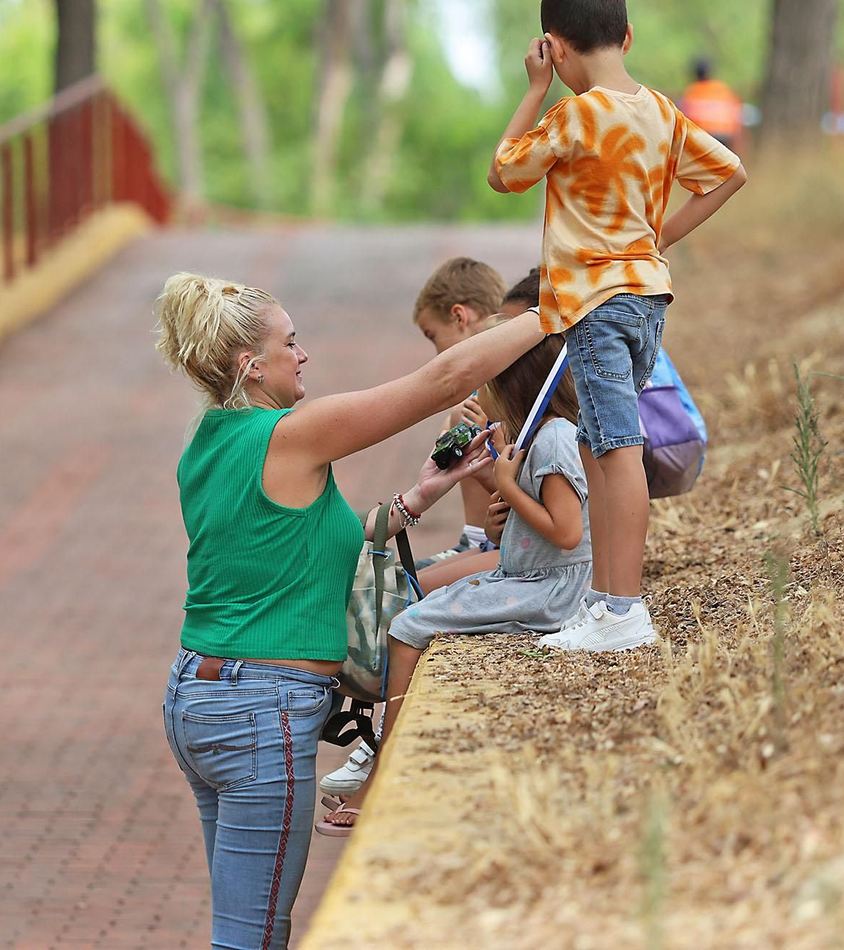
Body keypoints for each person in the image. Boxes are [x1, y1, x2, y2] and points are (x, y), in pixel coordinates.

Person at [155, 272, 542, 950]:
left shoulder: (206, 443)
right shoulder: (295, 433)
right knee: (253, 938)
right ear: (252, 366)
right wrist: (566, 301)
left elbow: (291, 546)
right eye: (290, 342)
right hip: (259, 709)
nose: (302, 355)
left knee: (242, 928)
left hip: (197, 697)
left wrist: (415, 500)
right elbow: (444, 381)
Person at [487, 0, 746, 653]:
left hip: (597, 304)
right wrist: (656, 239)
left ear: (555, 46)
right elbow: (730, 172)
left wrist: (535, 88)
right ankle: (605, 601)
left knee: (615, 449)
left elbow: (505, 169)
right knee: (600, 447)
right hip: (645, 298)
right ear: (628, 34)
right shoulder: (660, 109)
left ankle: (624, 610)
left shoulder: (573, 115)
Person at [319, 332, 590, 835]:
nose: (476, 394)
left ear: (510, 384)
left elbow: (569, 534)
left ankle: (383, 772)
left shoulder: (553, 438)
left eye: (484, 382)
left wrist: (508, 484)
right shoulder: (537, 435)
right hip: (529, 574)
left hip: (549, 588)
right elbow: (536, 522)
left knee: (406, 626)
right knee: (424, 602)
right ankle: (379, 758)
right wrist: (497, 494)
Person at [412, 257, 508, 561]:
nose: (437, 352)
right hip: (487, 539)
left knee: (400, 588)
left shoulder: (498, 392)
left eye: (432, 336)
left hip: (495, 545)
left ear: (458, 317)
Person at [678, 56, 746, 151]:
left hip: (704, 136)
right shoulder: (723, 88)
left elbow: (684, 119)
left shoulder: (692, 91)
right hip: (726, 135)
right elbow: (737, 116)